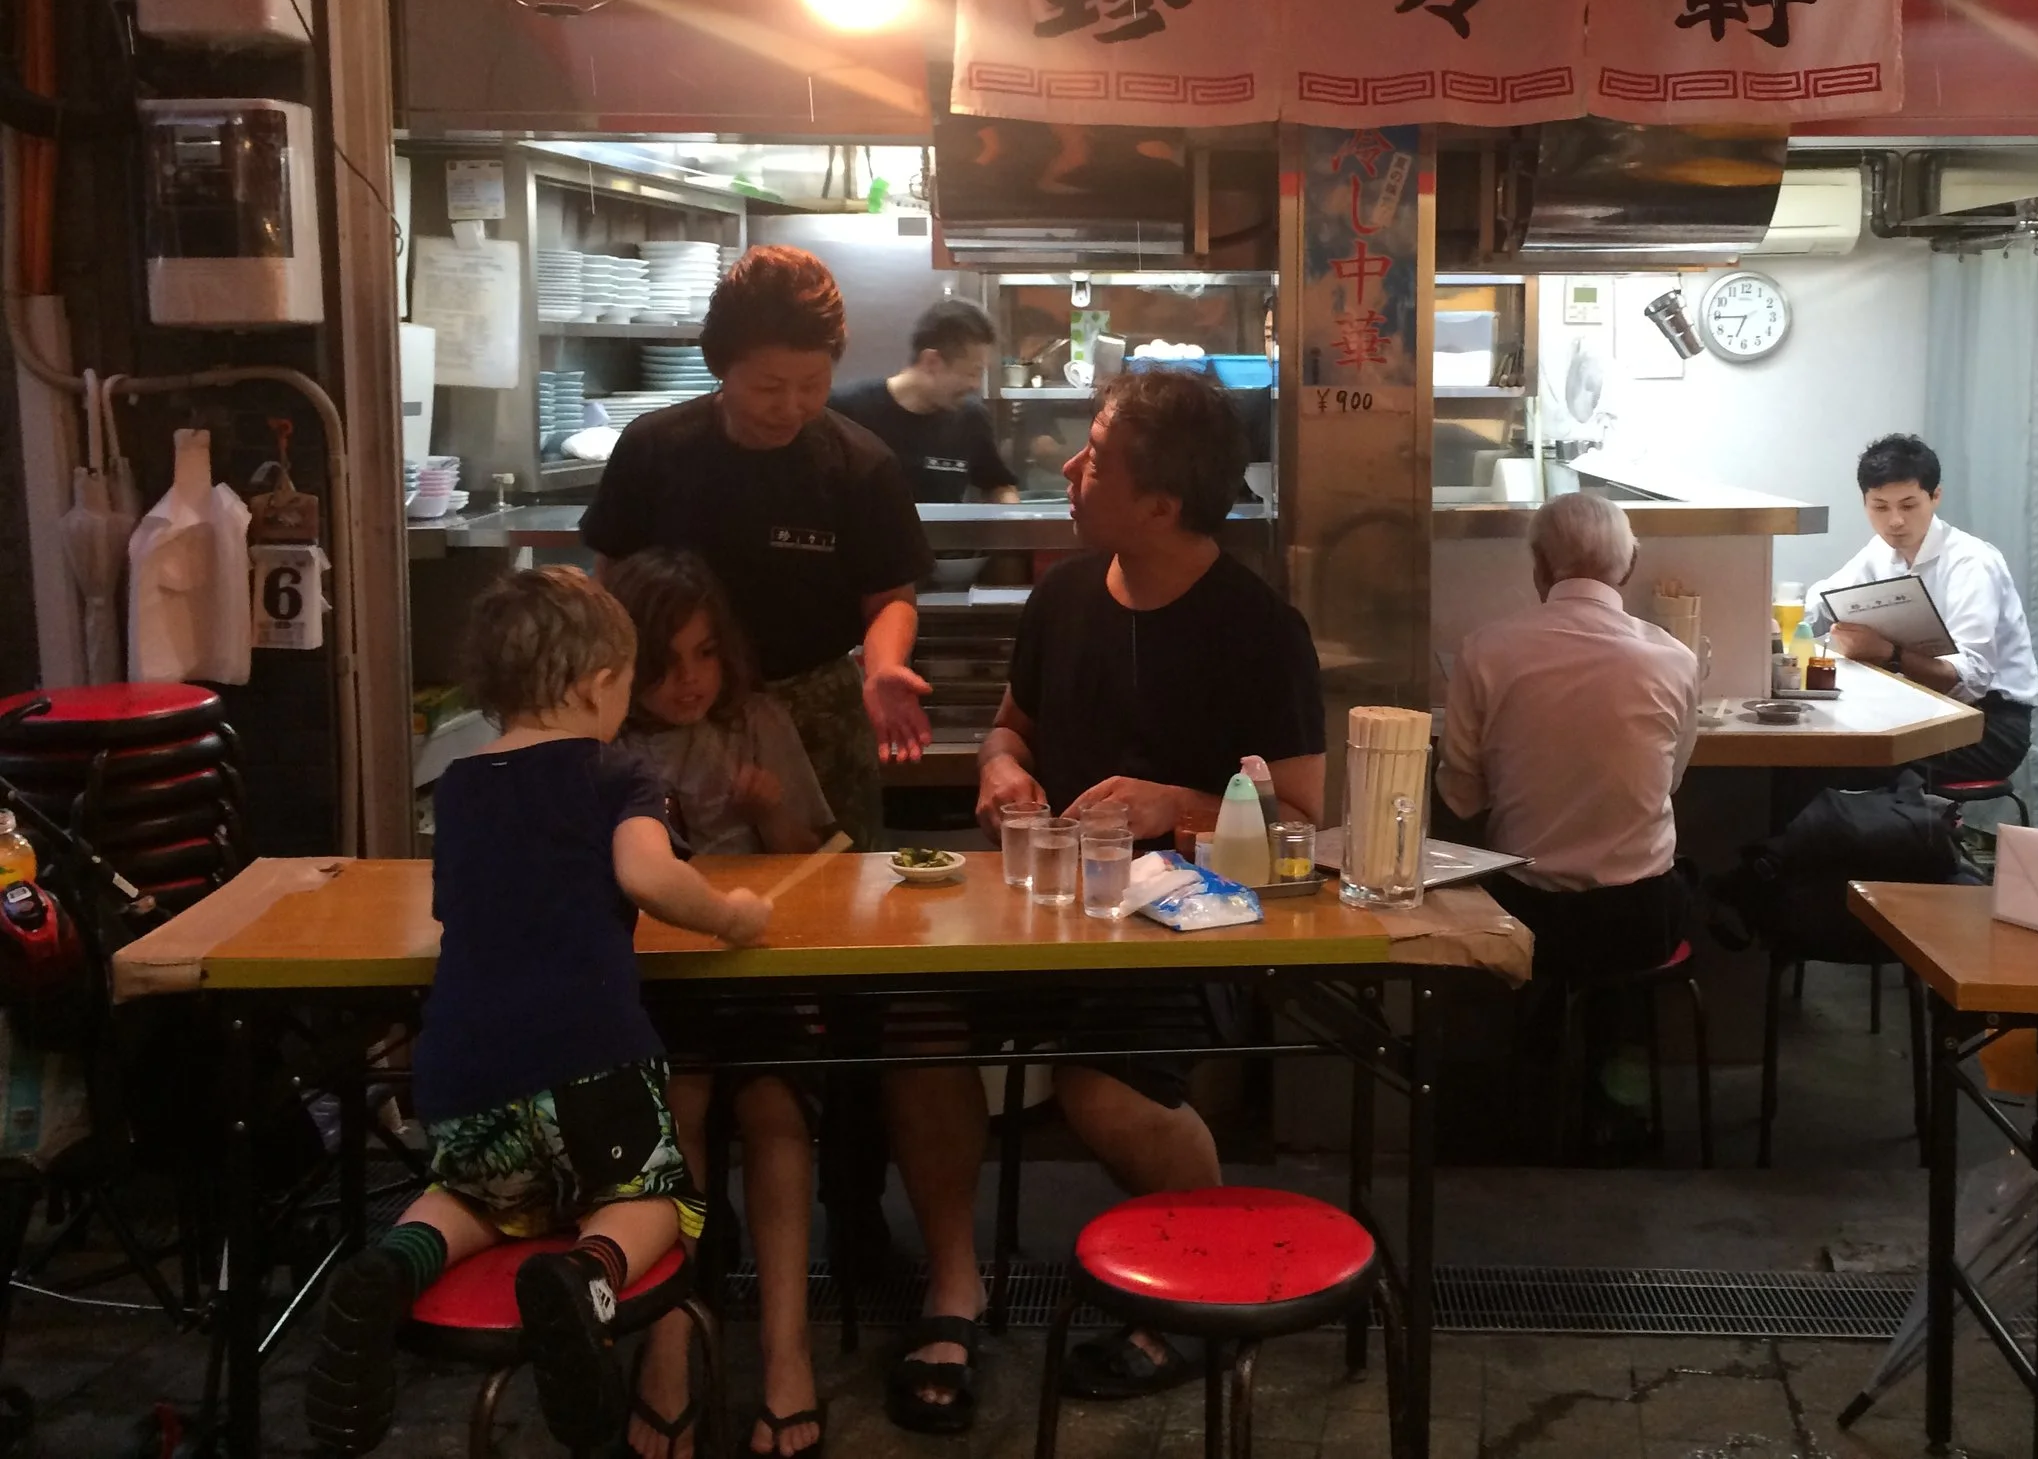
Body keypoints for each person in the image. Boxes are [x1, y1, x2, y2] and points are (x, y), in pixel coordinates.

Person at [881, 368, 1324, 1432]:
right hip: (1035, 911)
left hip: (1186, 930)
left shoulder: (1256, 628)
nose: (1070, 471)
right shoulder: (1063, 595)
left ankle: (1203, 1283)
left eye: (1094, 457)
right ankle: (955, 1286)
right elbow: (1010, 728)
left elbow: (1305, 821)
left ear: (1161, 503)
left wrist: (1175, 803)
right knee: (913, 1024)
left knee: (1101, 1092)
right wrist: (996, 768)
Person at [303, 568, 767, 1458]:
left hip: (465, 1071)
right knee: (656, 1201)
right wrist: (735, 913)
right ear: (599, 682)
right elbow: (647, 875)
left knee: (478, 1196)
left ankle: (389, 1266)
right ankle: (584, 1274)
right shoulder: (617, 770)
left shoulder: (463, 786)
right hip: (593, 1061)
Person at [582, 244, 936, 852]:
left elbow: (890, 596)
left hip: (812, 710)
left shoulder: (860, 465)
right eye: (771, 386)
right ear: (721, 364)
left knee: (833, 892)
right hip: (669, 705)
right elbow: (608, 580)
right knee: (668, 881)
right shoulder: (654, 449)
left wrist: (882, 668)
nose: (793, 406)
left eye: (813, 384)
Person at [606, 549, 836, 1458]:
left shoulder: (757, 721)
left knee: (778, 1108)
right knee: (682, 1105)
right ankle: (670, 1347)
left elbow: (817, 857)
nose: (691, 679)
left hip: (761, 968)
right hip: (654, 985)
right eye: (667, 663)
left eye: (705, 654)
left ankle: (787, 1356)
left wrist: (772, 812)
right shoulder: (608, 747)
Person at [1436, 490, 1701, 973]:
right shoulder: (1676, 661)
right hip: (1642, 919)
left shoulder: (1485, 651)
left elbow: (1461, 797)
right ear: (1631, 564)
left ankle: (1531, 1040)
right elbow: (1671, 780)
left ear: (1539, 564)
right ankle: (1613, 1042)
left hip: (1526, 912)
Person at [1808, 433, 2038, 785]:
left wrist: (1889, 654)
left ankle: (1913, 835)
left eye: (1909, 505)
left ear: (1935, 497)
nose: (1895, 521)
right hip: (1919, 705)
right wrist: (1783, 623)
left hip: (1989, 723)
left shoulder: (1971, 562)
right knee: (1822, 747)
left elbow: (1972, 677)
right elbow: (1823, 600)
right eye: (1880, 507)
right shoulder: (1880, 551)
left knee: (1847, 761)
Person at [828, 297, 1020, 504]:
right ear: (932, 362)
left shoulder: (971, 418)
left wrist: (1012, 521)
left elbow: (998, 485)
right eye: (973, 373)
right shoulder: (844, 409)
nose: (976, 385)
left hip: (943, 538)